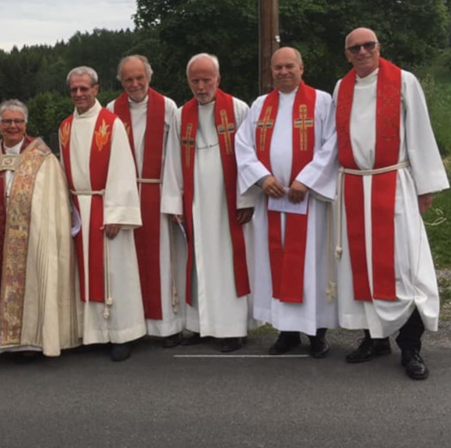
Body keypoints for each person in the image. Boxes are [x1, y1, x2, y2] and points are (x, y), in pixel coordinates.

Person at [333, 28, 448, 379]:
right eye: (355, 48)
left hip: (392, 182)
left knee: (405, 267)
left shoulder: (403, 81)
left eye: (369, 45)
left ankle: (411, 347)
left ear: (379, 47)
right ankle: (374, 338)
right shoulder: (342, 87)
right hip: (353, 186)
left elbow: (420, 130)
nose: (363, 51)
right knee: (361, 267)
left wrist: (424, 185)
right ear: (347, 54)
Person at [235, 47, 339, 357]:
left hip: (308, 203)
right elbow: (243, 146)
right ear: (271, 71)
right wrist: (262, 178)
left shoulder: (321, 101)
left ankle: (317, 334)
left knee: (312, 267)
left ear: (301, 68)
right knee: (277, 266)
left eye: (289, 66)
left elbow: (331, 145)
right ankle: (287, 333)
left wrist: (306, 180)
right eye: (277, 67)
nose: (283, 72)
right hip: (274, 200)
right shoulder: (260, 105)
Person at [0, 99, 80, 358]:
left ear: (25, 124)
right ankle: (1, 338)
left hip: (32, 238)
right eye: (7, 121)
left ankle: (31, 341)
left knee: (34, 281)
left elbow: (53, 205)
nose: (12, 126)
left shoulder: (42, 157)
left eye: (17, 121)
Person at [160, 53, 256, 352]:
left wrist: (245, 198)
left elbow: (249, 157)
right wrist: (175, 203)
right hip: (195, 201)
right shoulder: (181, 114)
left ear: (218, 79)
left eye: (206, 80)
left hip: (228, 202)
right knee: (198, 262)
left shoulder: (238, 109)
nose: (201, 87)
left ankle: (232, 329)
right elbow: (172, 160)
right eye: (195, 81)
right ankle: (201, 325)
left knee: (227, 263)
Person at [59, 66, 146, 362]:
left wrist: (117, 213)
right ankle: (92, 333)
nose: (80, 94)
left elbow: (124, 168)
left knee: (115, 272)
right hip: (79, 210)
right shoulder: (65, 127)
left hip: (106, 206)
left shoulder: (111, 123)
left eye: (85, 88)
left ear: (96, 89)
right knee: (83, 273)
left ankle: (123, 333)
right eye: (74, 90)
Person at [106, 55, 185, 348]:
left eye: (140, 78)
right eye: (128, 79)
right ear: (121, 81)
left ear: (149, 77)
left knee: (163, 259)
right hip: (125, 195)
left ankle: (167, 326)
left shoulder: (168, 108)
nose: (135, 84)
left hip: (157, 192)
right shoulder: (112, 110)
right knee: (127, 263)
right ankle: (131, 326)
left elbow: (175, 156)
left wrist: (174, 200)